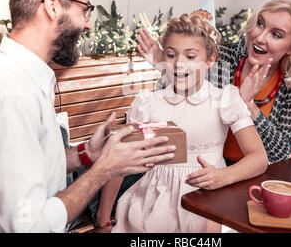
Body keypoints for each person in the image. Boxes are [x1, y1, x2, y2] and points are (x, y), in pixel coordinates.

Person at [0, 0, 175, 233]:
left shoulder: (23, 79)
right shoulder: (10, 93)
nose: (89, 23)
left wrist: (86, 154)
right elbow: (29, 227)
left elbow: (28, 163)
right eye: (85, 9)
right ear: (53, 7)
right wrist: (103, 169)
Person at [96, 13, 268, 233]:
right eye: (171, 54)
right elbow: (119, 165)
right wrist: (102, 221)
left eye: (190, 56)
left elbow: (259, 158)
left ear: (210, 59)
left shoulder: (225, 99)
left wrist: (222, 176)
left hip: (207, 200)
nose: (178, 63)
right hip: (153, 200)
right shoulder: (147, 103)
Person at [137, 0, 291, 165]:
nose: (259, 37)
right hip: (205, 164)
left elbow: (282, 151)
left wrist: (247, 105)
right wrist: (169, 70)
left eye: (276, 34)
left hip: (258, 173)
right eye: (260, 24)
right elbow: (173, 115)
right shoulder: (221, 57)